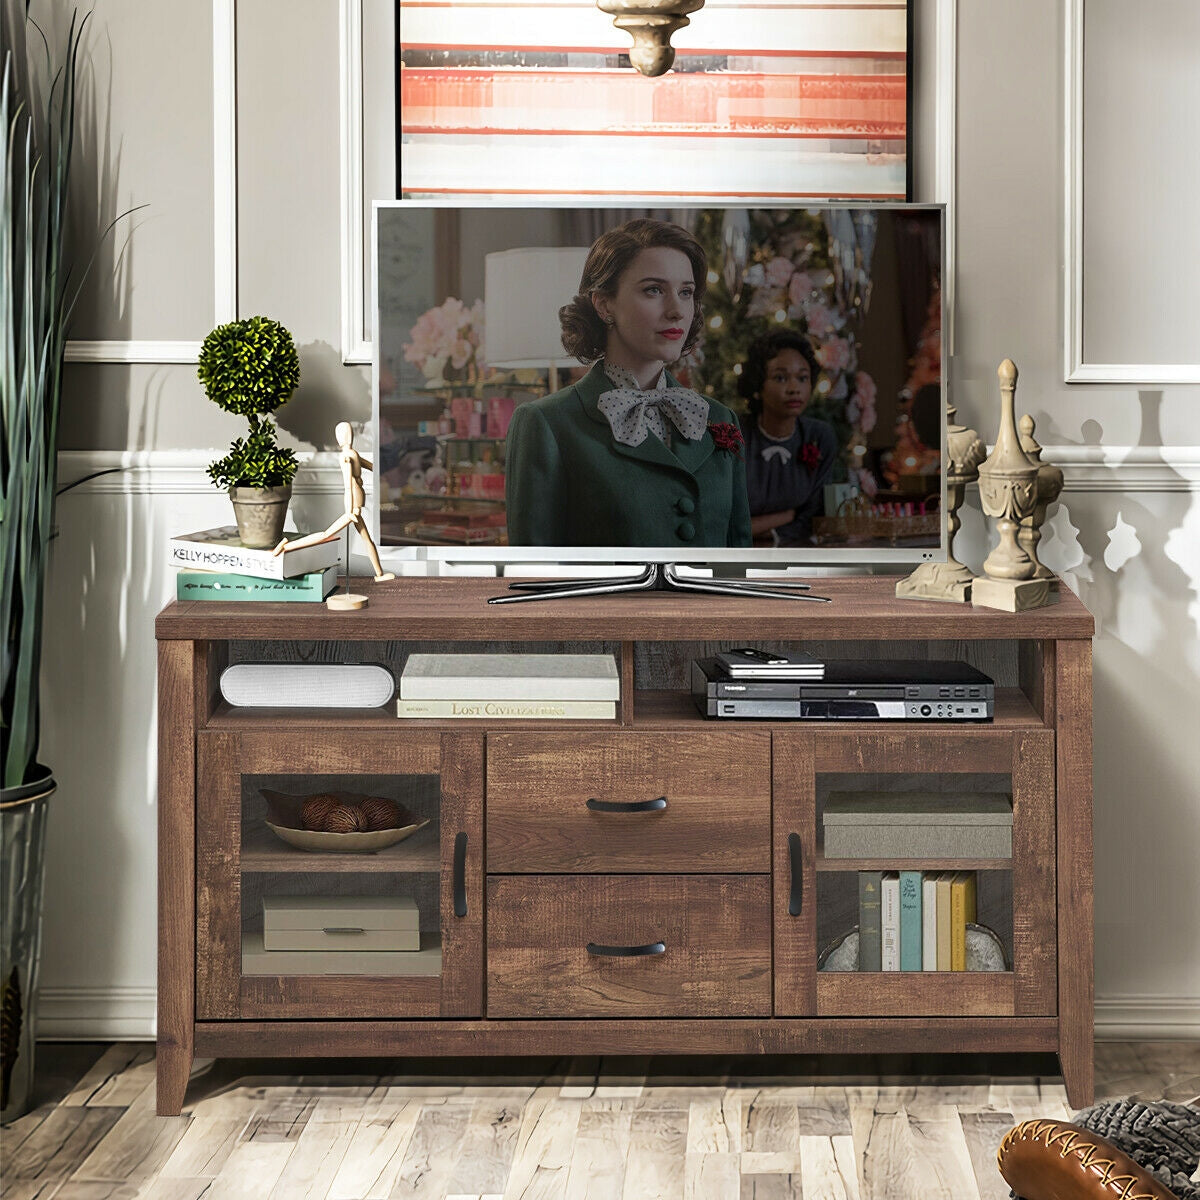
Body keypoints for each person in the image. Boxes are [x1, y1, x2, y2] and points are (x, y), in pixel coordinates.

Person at [504, 218, 751, 548]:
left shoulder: (719, 420)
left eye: (686, 292)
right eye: (654, 290)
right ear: (605, 304)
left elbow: (738, 565)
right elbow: (537, 579)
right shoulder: (547, 423)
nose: (677, 310)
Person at [737, 330, 839, 546]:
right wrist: (786, 515)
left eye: (802, 378)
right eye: (780, 378)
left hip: (795, 553)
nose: (794, 389)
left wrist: (761, 528)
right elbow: (726, 523)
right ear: (759, 385)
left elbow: (812, 516)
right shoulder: (735, 434)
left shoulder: (819, 437)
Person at [273, 421, 395, 581]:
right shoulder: (345, 457)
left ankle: (379, 574)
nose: (348, 436)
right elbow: (348, 486)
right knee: (325, 535)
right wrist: (350, 511)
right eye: (345, 433)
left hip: (357, 508)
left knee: (367, 540)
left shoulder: (353, 454)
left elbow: (370, 467)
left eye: (349, 432)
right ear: (339, 438)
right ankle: (285, 547)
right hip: (352, 509)